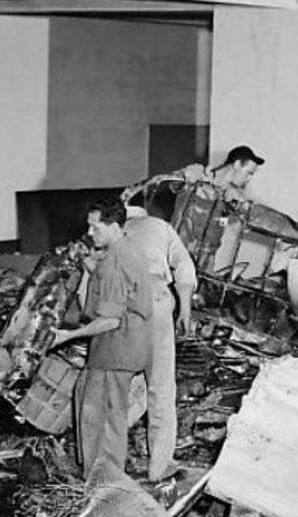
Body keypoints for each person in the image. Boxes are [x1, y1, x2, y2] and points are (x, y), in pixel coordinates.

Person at [53, 198, 197, 485]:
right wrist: (185, 308)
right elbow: (184, 267)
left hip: (125, 318)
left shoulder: (109, 249)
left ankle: (106, 470)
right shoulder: (159, 227)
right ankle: (159, 466)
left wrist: (79, 330)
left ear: (118, 221)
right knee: (160, 389)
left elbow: (87, 296)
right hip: (157, 304)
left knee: (108, 393)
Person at [176, 145, 265, 204]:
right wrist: (196, 182)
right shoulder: (198, 173)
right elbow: (170, 184)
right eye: (248, 173)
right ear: (237, 164)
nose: (248, 179)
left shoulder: (236, 197)